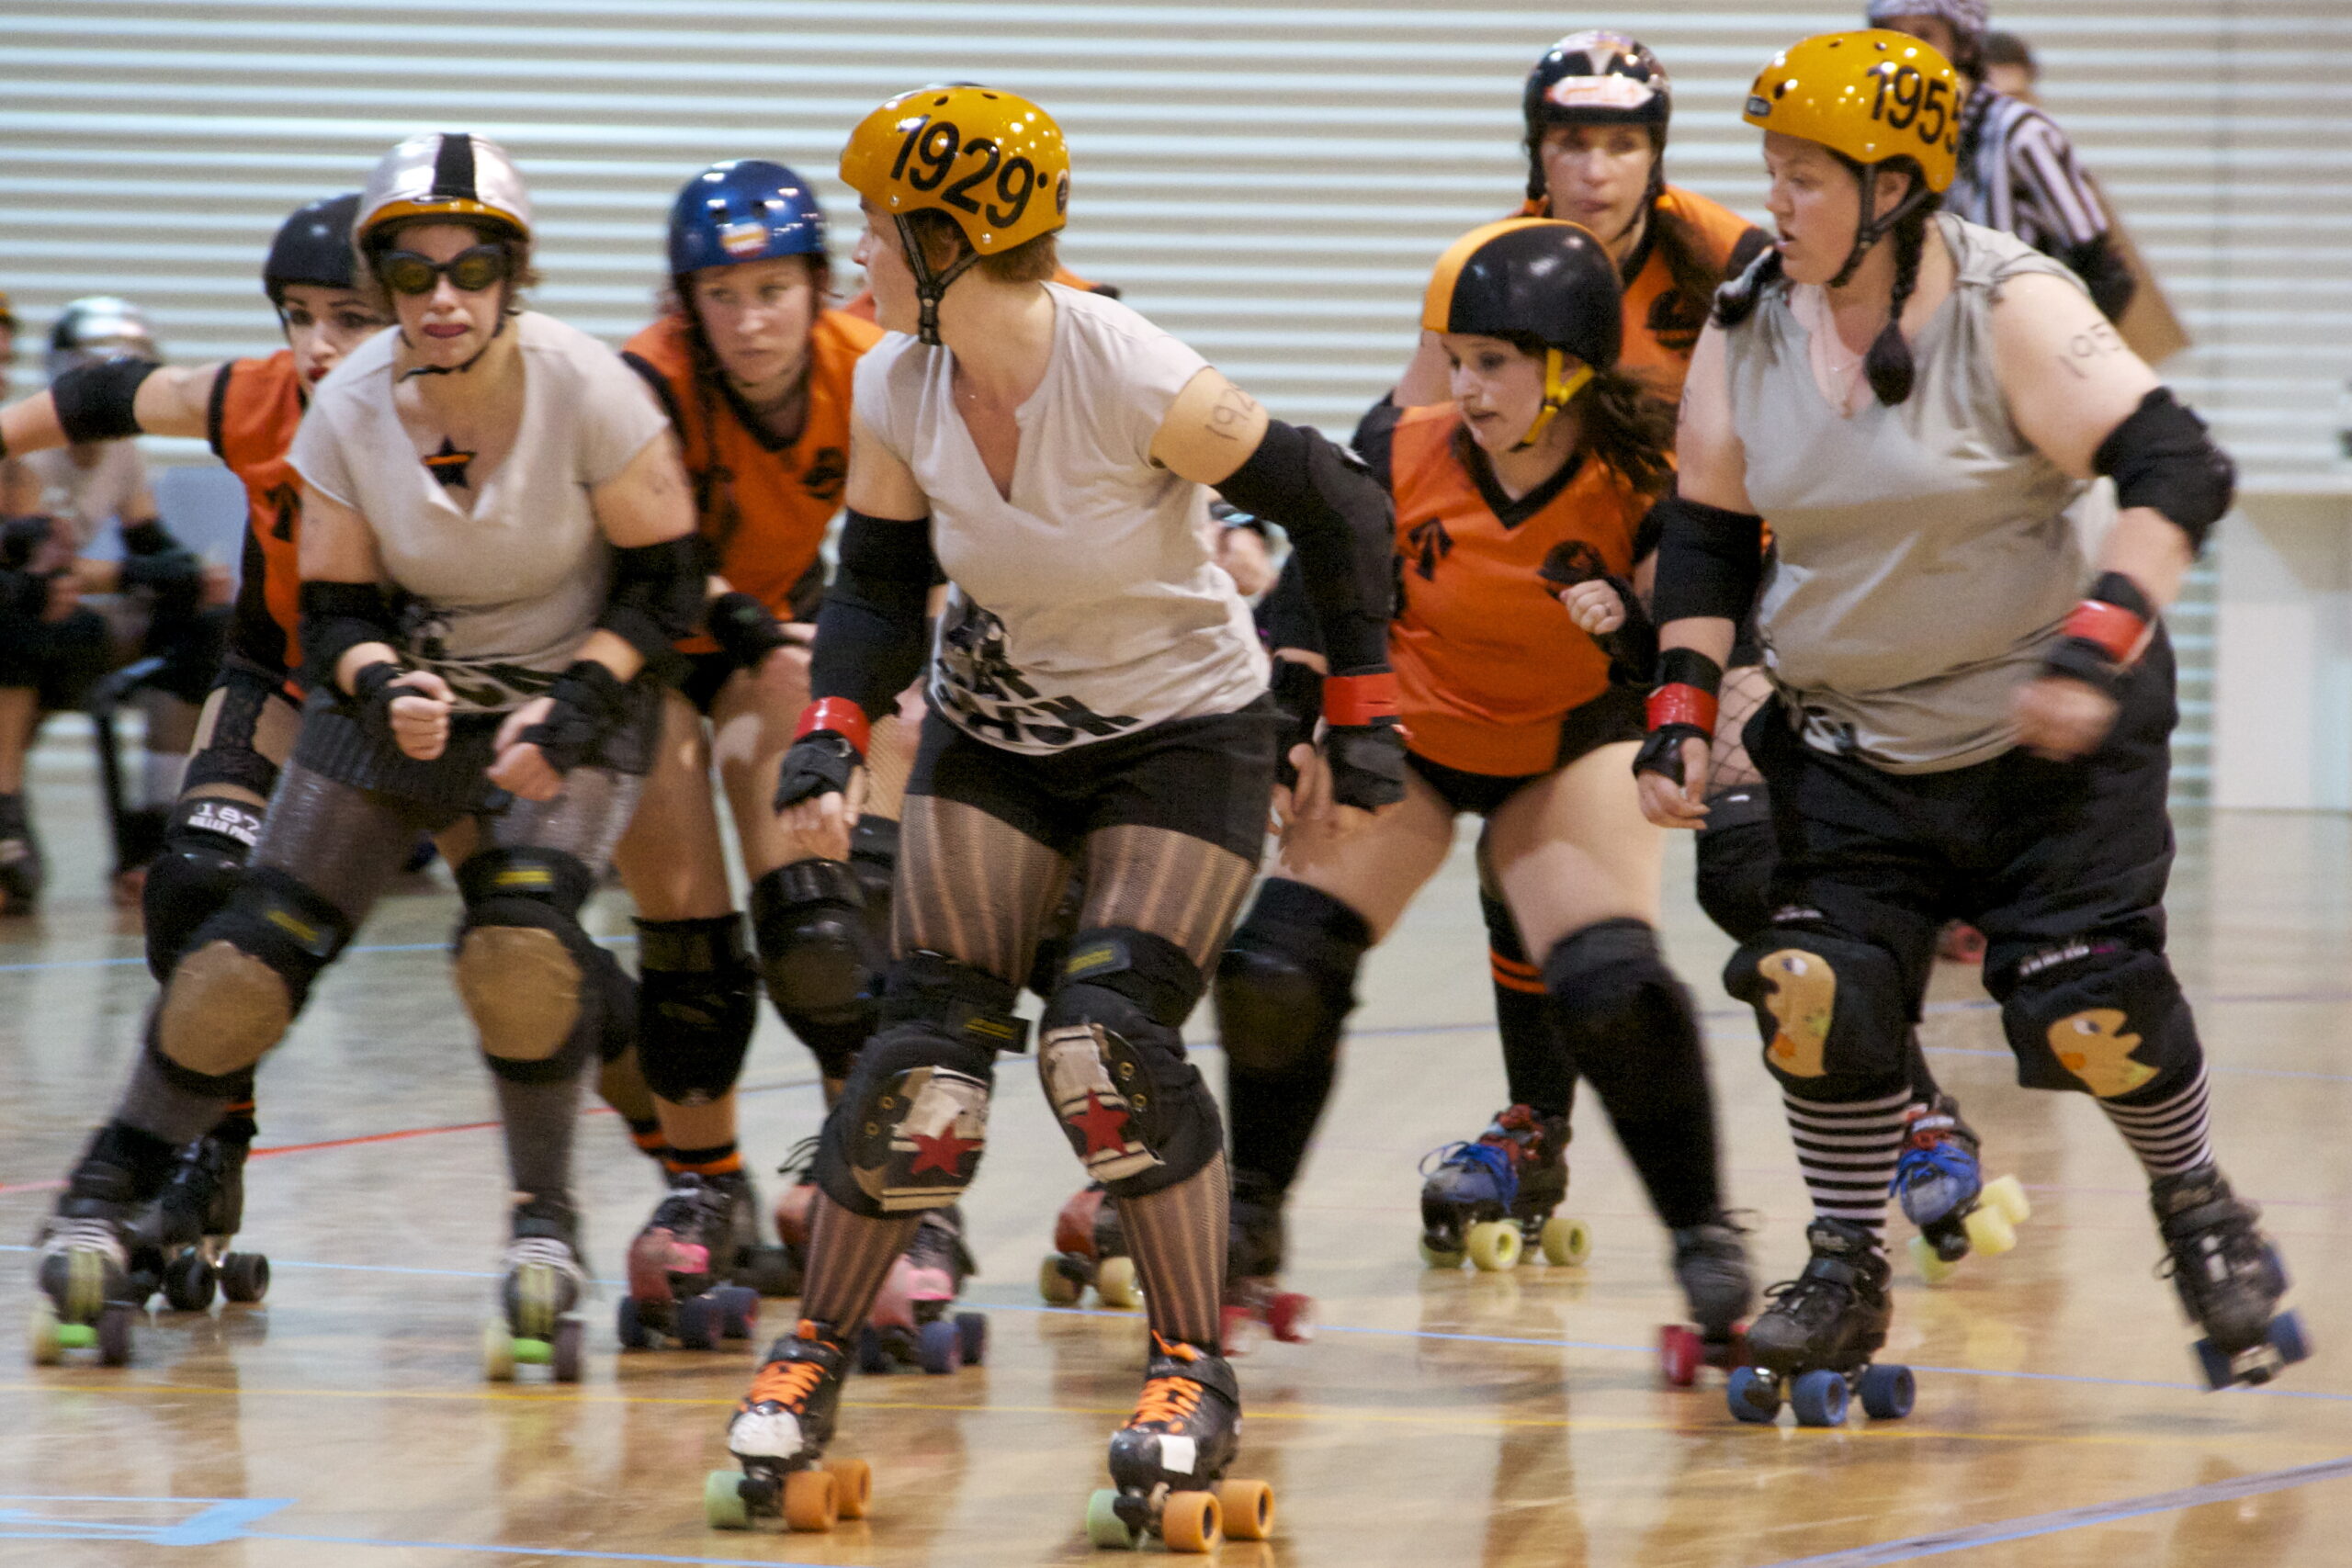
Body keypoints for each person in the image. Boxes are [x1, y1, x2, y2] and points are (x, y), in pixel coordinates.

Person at [711, 85, 1400, 1549]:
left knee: (1108, 1045)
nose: (858, 265)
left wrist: (1361, 712)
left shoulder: (1127, 367)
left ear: (952, 239)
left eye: (879, 235)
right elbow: (883, 583)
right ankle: (815, 1353)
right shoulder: (896, 380)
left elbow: (1339, 502)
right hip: (999, 735)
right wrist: (833, 733)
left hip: (1185, 736)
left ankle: (1186, 1366)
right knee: (927, 1054)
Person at [1642, 30, 2303, 1416]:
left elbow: (2178, 461)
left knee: (2087, 1009)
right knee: (1815, 993)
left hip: (2041, 739)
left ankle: (2198, 1207)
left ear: (1896, 188)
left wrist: (2097, 642)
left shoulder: (2010, 304)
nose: (1777, 199)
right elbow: (1703, 526)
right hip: (1849, 740)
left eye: (1808, 176)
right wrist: (1683, 709)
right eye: (1772, 170)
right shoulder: (1751, 315)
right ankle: (1843, 1261)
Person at [28, 132, 704, 1376]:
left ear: (515, 273)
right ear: (387, 279)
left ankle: (545, 1219)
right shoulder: (338, 403)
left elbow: (666, 589)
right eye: (414, 269)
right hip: (396, 690)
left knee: (519, 944)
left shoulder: (594, 388)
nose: (443, 296)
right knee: (243, 952)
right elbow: (331, 614)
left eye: (473, 267)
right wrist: (383, 679)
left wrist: (575, 705)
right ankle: (107, 1190)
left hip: (565, 695)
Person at [1216, 219, 1751, 1354]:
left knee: (1613, 989)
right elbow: (1312, 603)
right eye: (1455, 358)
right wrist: (1288, 728)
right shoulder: (1399, 450)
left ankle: (1705, 1238)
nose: (1464, 385)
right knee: (1274, 969)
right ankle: (1247, 1219)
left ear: (1567, 365)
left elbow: (1695, 623)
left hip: (1567, 752)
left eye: (1494, 362)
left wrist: (1681, 705)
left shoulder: (1642, 477)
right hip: (1415, 740)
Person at [609, 158, 899, 1325]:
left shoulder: (867, 364)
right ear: (687, 305)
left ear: (818, 286)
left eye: (773, 290)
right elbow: (648, 566)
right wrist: (743, 613)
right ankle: (703, 1190)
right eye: (722, 298)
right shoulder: (649, 380)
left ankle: (870, 1178)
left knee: (820, 932)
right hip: (633, 640)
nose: (750, 320)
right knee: (683, 948)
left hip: (759, 634)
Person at [1, 299, 229, 905]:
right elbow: (30, 570)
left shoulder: (124, 451)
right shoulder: (25, 445)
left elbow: (150, 543)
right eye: (94, 370)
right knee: (31, 612)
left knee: (204, 625)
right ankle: (7, 815)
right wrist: (129, 573)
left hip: (64, 618)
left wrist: (192, 575)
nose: (109, 387)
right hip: (29, 622)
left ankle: (159, 830)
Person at [1866, 0, 2135, 321]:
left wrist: (2050, 351)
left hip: (2013, 340)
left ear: (1963, 47)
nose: (1906, 53)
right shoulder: (1887, 134)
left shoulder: (2020, 133)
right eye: (1892, 35)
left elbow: (2106, 275)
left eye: (1924, 36)